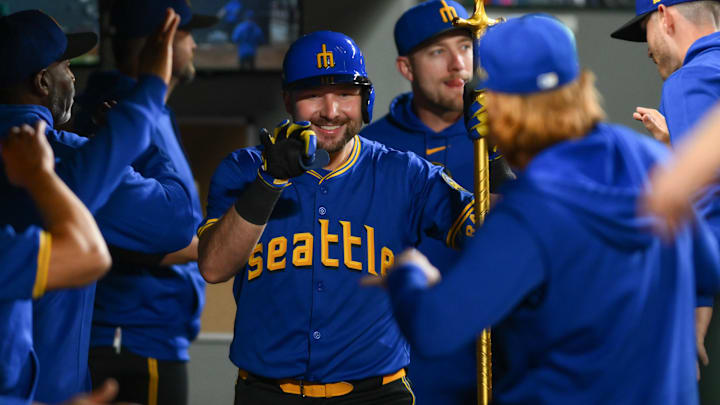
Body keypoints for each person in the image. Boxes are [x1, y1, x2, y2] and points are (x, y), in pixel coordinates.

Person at [382, 14, 720, 404]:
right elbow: (708, 267)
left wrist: (409, 273)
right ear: (578, 85)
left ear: (498, 108)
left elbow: (433, 328)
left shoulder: (530, 212)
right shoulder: (650, 161)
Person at [197, 30, 478, 404]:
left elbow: (492, 237)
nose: (330, 111)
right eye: (313, 95)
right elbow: (213, 267)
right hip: (266, 393)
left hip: (376, 395)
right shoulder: (244, 170)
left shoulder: (406, 173)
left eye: (345, 94)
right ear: (288, 101)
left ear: (365, 100)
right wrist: (270, 182)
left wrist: (499, 157)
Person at [0, 8, 196, 403]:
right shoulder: (53, 158)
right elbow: (176, 219)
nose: (73, 77)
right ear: (41, 82)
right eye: (66, 66)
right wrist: (144, 142)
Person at [360, 1, 514, 403]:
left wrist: (497, 158)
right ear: (406, 68)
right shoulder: (367, 147)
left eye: (465, 46)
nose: (457, 64)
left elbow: (529, 237)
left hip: (490, 364)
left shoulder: (509, 142)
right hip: (388, 368)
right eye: (436, 52)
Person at [74, 2, 217, 404]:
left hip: (144, 334)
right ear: (163, 41)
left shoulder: (143, 108)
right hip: (127, 339)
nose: (195, 45)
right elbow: (116, 235)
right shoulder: (115, 112)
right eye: (188, 34)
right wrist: (221, 244)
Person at [611, 0, 720, 374]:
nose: (648, 47)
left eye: (646, 31)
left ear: (664, 17)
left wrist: (696, 307)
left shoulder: (691, 80)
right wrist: (676, 149)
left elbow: (699, 207)